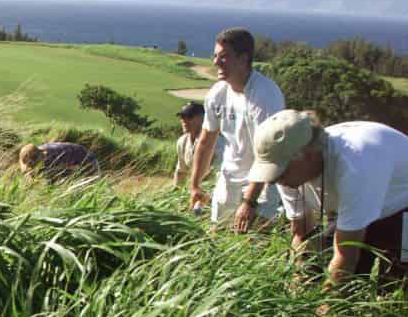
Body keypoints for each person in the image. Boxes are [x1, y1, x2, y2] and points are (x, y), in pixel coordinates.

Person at [249, 110, 408, 285]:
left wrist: (324, 308)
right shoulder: (287, 175)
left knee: (395, 285)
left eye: (280, 170)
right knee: (321, 266)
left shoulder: (355, 166)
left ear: (307, 155)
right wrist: (298, 283)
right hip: (364, 199)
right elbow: (303, 232)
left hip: (402, 201)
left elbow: (346, 255)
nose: (275, 180)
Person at [190, 28, 285, 231]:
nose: (216, 62)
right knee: (218, 236)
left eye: (224, 57)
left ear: (243, 59)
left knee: (254, 243)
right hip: (228, 178)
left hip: (261, 184)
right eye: (215, 56)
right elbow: (206, 141)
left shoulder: (266, 95)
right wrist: (195, 185)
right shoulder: (218, 93)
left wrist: (249, 202)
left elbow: (268, 155)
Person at [173, 102, 222, 193]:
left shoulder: (217, 142)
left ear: (203, 119)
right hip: (196, 191)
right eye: (182, 117)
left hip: (215, 190)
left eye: (189, 116)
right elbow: (181, 172)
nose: (184, 120)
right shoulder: (182, 142)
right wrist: (175, 193)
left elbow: (220, 173)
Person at [18, 142, 99, 182]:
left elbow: (73, 168)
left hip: (87, 160)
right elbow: (24, 163)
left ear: (40, 157)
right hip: (70, 160)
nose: (31, 167)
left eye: (32, 164)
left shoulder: (56, 155)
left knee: (91, 184)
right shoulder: (32, 152)